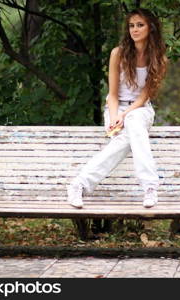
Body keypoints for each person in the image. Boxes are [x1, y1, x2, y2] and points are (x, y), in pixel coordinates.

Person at [67, 8, 168, 209]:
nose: (135, 29)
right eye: (131, 25)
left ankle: (79, 184)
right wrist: (114, 116)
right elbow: (112, 94)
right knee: (123, 138)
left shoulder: (159, 58)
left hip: (141, 110)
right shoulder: (118, 53)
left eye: (140, 25)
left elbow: (143, 96)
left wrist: (125, 115)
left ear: (151, 28)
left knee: (133, 121)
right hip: (115, 108)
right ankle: (149, 187)